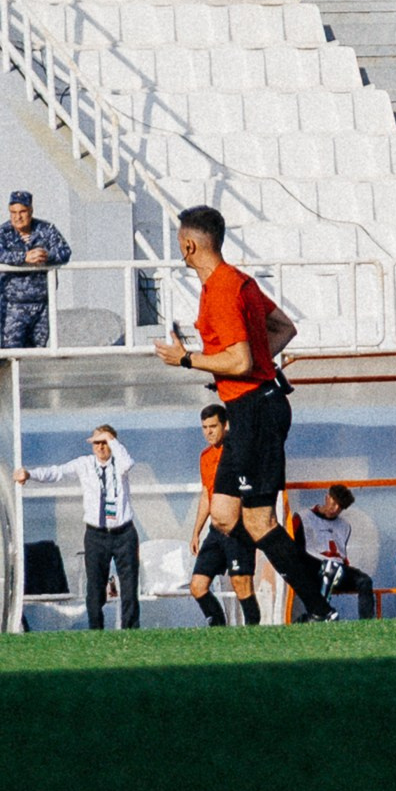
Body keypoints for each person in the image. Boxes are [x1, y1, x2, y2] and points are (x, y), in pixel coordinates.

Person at [151, 205, 332, 620]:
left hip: (255, 412)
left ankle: (320, 603)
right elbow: (285, 328)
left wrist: (187, 360)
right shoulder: (240, 281)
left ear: (189, 244)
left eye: (181, 242)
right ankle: (319, 572)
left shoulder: (221, 289)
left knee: (258, 521)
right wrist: (237, 369)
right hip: (252, 406)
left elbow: (240, 361)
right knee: (225, 513)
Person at [16, 423, 141, 629]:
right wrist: (30, 474)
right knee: (95, 586)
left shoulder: (120, 462)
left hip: (123, 532)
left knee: (128, 586)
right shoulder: (85, 464)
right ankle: (96, 630)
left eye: (105, 443)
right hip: (96, 534)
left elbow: (128, 464)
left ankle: (130, 630)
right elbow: (57, 472)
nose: (100, 447)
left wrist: (112, 440)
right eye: (96, 443)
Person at [189, 399, 260, 628]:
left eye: (213, 426)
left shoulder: (237, 452)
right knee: (198, 586)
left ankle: (253, 630)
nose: (209, 432)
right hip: (215, 531)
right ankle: (218, 628)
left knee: (241, 583)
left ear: (225, 425)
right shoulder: (205, 456)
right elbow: (206, 494)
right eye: (205, 427)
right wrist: (196, 532)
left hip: (237, 529)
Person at [0, 189, 69, 343]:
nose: (18, 217)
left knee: (37, 352)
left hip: (42, 304)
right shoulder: (3, 233)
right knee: (11, 352)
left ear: (31, 210)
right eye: (13, 212)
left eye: (22, 211)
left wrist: (47, 256)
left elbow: (65, 251)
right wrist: (24, 257)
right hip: (13, 306)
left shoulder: (47, 229)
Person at [303, 483, 376, 618]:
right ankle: (320, 613)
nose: (335, 509)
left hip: (338, 568)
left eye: (340, 507)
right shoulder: (305, 518)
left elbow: (342, 554)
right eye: (334, 503)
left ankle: (367, 623)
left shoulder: (344, 525)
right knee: (330, 568)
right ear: (327, 498)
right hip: (314, 567)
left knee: (364, 581)